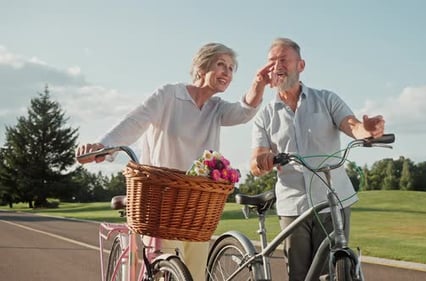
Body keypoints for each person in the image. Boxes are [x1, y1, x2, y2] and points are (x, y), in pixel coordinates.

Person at [75, 42, 265, 281]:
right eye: (220, 64)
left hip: (196, 204)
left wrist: (259, 83)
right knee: (160, 268)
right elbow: (135, 121)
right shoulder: (169, 95)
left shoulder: (217, 108)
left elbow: (244, 111)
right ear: (200, 67)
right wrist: (103, 147)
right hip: (160, 200)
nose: (227, 72)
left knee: (195, 273)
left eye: (231, 68)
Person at [249, 37, 385, 281]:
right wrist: (264, 160)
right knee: (299, 275)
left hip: (333, 198)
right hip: (293, 206)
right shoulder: (265, 115)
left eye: (283, 60)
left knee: (332, 272)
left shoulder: (326, 99)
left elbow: (352, 125)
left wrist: (368, 131)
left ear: (300, 65)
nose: (277, 66)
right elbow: (256, 160)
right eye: (271, 61)